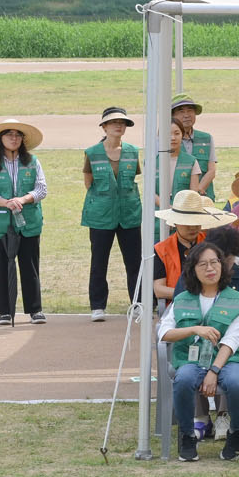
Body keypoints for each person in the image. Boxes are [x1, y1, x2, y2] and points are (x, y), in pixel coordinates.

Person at [160, 240, 239, 463]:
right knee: (183, 380)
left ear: (222, 266)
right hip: (191, 359)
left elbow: (231, 341)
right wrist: (194, 329)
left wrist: (213, 371)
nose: (210, 268)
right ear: (193, 270)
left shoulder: (237, 300)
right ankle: (187, 436)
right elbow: (164, 333)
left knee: (236, 383)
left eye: (214, 262)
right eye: (203, 264)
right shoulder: (182, 299)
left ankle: (235, 434)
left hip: (231, 359)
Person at [80, 106, 144, 321]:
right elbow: (88, 182)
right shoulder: (92, 153)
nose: (119, 126)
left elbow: (133, 178)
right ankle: (97, 306)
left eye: (123, 123)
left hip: (129, 214)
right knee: (99, 262)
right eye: (114, 122)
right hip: (101, 215)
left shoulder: (133, 151)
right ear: (104, 126)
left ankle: (137, 303)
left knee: (134, 262)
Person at [0, 120, 47, 326]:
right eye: (9, 134)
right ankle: (4, 311)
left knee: (30, 266)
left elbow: (41, 189)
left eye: (18, 135)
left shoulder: (33, 162)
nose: (14, 138)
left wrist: (23, 199)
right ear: (0, 139)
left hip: (29, 222)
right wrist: (6, 202)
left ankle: (35, 310)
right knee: (0, 266)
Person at [152, 190, 230, 299]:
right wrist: (191, 294)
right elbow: (159, 290)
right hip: (178, 303)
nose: (192, 227)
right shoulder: (161, 250)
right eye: (187, 222)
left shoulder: (212, 244)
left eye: (196, 221)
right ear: (175, 222)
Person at [169, 93, 214, 197]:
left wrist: (197, 190)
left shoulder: (206, 138)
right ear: (172, 116)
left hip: (203, 197)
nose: (186, 115)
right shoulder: (165, 141)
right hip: (177, 198)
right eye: (181, 111)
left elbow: (212, 170)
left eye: (190, 110)